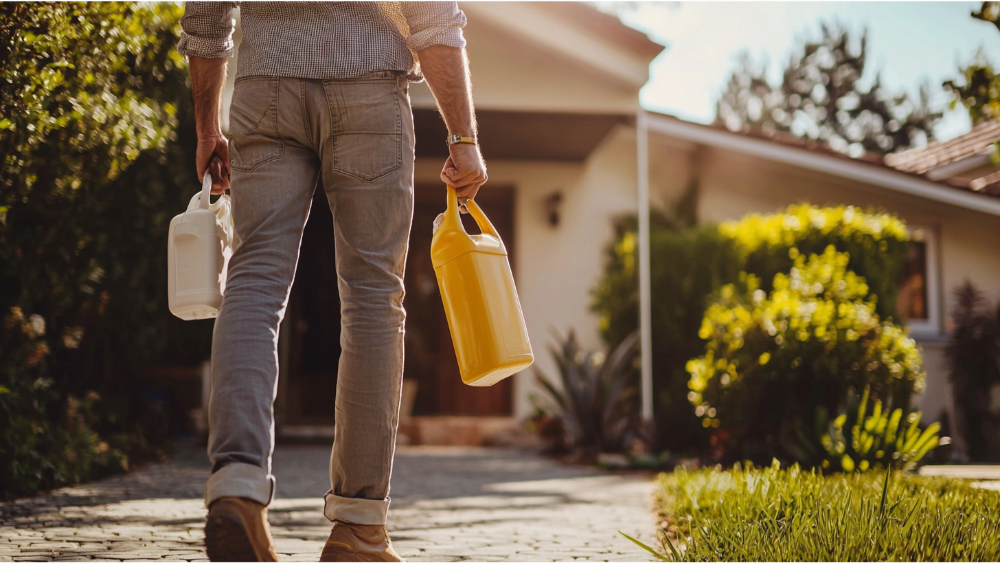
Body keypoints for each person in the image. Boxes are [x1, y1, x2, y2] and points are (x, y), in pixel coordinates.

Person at [177, 1, 487, 561]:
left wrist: (206, 128)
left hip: (264, 88)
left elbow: (205, 17)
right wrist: (463, 135)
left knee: (252, 281)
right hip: (369, 88)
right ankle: (359, 528)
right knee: (372, 300)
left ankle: (237, 485)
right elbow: (434, 16)